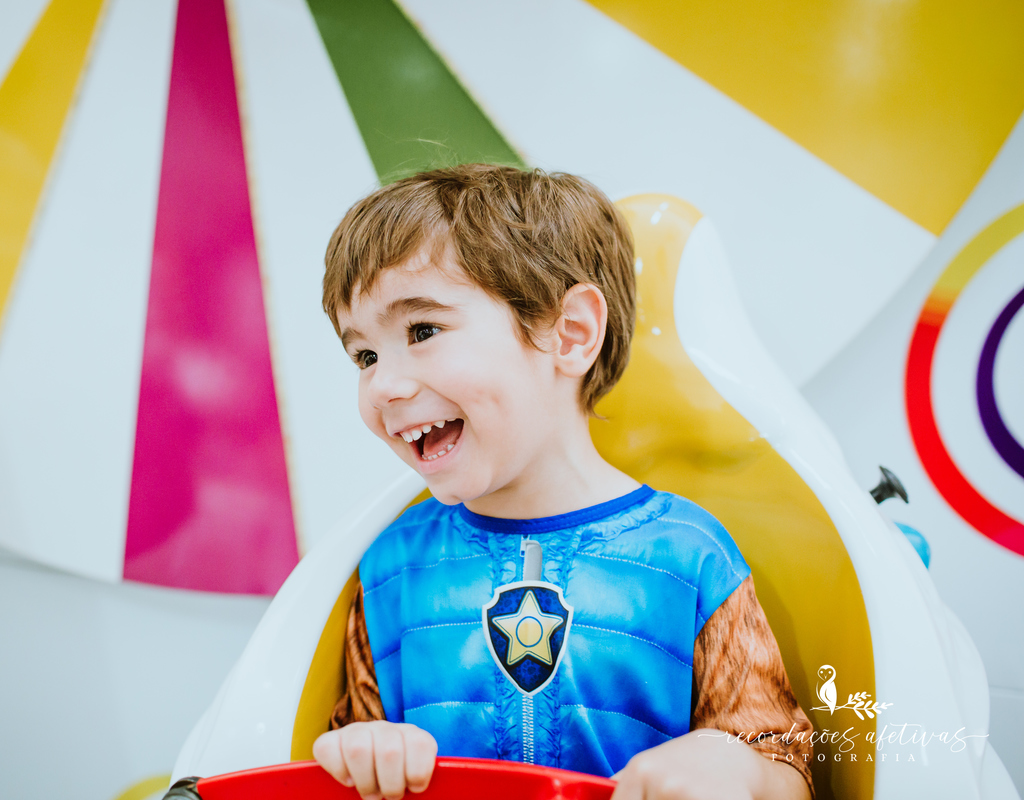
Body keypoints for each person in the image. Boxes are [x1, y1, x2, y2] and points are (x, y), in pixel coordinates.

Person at [311, 165, 814, 800]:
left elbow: (785, 768)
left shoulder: (688, 556)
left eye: (423, 331)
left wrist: (740, 770)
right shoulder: (390, 571)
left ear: (570, 334)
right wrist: (360, 753)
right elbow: (343, 759)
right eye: (365, 356)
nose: (384, 385)